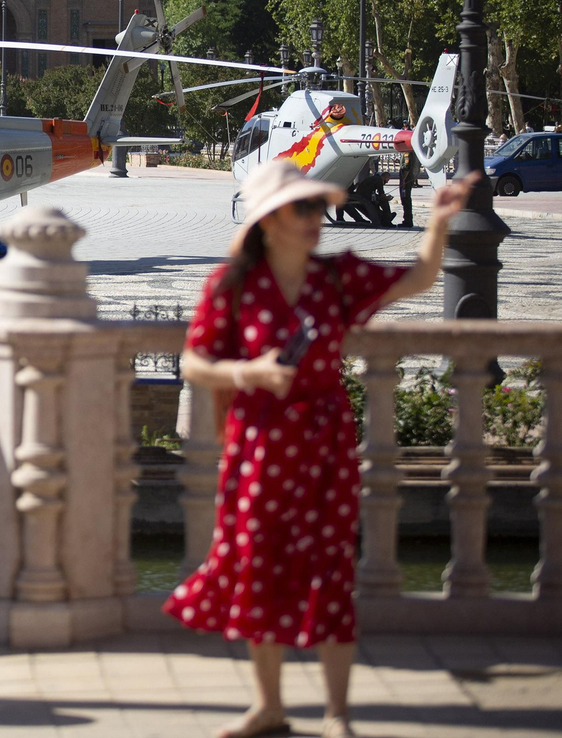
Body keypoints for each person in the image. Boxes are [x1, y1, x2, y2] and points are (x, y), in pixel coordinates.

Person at [165, 159, 474, 738]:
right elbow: (195, 364)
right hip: (257, 447)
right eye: (302, 207)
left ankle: (337, 714)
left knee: (329, 572)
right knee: (259, 569)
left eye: (318, 207)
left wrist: (438, 220)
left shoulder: (336, 277)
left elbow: (420, 278)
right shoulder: (231, 285)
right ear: (269, 220)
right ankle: (269, 706)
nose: (316, 218)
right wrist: (249, 372)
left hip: (323, 448)